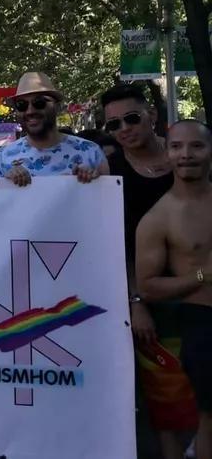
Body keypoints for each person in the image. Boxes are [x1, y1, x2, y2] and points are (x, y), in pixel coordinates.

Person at [99, 85, 183, 459]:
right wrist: (136, 302)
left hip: (199, 292)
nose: (124, 129)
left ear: (151, 116)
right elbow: (115, 245)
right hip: (146, 298)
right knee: (164, 397)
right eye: (114, 124)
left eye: (131, 118)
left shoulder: (186, 157)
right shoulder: (109, 171)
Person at [137, 121, 212, 459]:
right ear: (167, 154)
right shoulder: (158, 219)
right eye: (177, 147)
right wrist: (202, 276)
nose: (186, 155)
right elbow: (148, 286)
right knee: (208, 420)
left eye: (196, 146)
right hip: (201, 324)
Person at [0, 72, 108, 185]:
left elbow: (108, 199)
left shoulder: (90, 152)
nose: (30, 111)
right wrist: (3, 185)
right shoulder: (3, 157)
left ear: (57, 106)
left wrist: (93, 182)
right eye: (21, 105)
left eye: (39, 102)